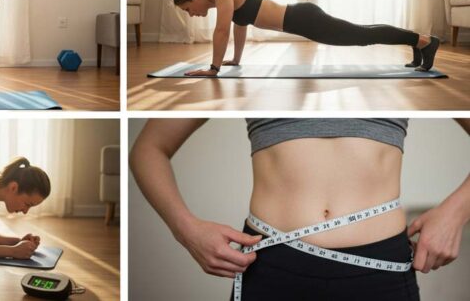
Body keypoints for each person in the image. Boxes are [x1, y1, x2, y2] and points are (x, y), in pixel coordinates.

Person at [130, 119, 470, 300]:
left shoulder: (402, 69)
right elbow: (149, 148)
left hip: (380, 270)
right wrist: (186, 230)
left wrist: (457, 210)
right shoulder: (250, 69)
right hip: (272, 263)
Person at [173, 0, 440, 76]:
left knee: (362, 35)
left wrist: (213, 69)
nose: (191, 14)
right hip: (303, 19)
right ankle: (420, 43)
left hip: (305, 19)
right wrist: (235, 59)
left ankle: (424, 42)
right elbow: (238, 27)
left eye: (188, 9)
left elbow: (221, 30)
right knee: (362, 33)